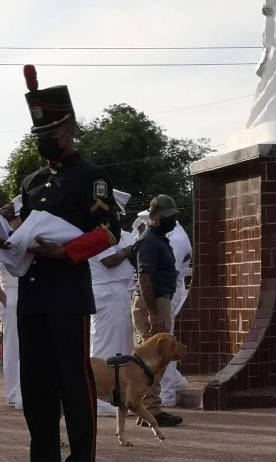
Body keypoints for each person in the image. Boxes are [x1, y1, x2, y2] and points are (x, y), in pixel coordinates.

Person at [14, 65, 122, 461]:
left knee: (74, 385)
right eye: (39, 136)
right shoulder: (30, 181)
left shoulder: (90, 177)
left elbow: (110, 231)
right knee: (36, 388)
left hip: (67, 296)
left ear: (69, 129)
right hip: (32, 295)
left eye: (50, 134)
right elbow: (23, 225)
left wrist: (67, 251)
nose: (44, 142)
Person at [131, 194, 184, 427]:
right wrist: (153, 312)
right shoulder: (150, 241)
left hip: (158, 301)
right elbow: (145, 278)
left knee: (155, 359)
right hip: (152, 302)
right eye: (167, 217)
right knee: (154, 358)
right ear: (155, 217)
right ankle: (150, 410)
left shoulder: (158, 238)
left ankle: (148, 408)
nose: (171, 221)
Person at [88, 189, 136, 417]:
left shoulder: (113, 233)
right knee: (106, 347)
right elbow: (109, 261)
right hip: (107, 293)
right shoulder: (101, 232)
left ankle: (113, 395)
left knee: (121, 347)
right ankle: (100, 398)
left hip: (117, 293)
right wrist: (130, 249)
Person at [160, 219, 192, 406]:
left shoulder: (177, 239)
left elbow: (170, 273)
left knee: (164, 344)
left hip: (166, 294)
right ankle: (174, 383)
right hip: (162, 294)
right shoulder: (168, 236)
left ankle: (167, 392)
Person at [0, 195, 23, 409]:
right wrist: (3, 297)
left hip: (27, 295)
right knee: (14, 346)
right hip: (12, 295)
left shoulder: (24, 238)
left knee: (27, 346)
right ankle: (15, 392)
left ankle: (22, 390)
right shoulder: (6, 237)